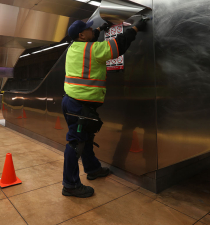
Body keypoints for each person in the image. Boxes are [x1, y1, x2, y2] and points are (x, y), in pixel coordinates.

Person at [61, 17, 148, 198]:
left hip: (74, 102)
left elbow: (90, 42)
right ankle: (70, 184)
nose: (92, 30)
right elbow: (118, 45)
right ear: (81, 35)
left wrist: (100, 29)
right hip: (80, 105)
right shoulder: (93, 50)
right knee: (76, 144)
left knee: (86, 138)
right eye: (89, 29)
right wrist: (135, 28)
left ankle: (92, 169)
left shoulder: (73, 47)